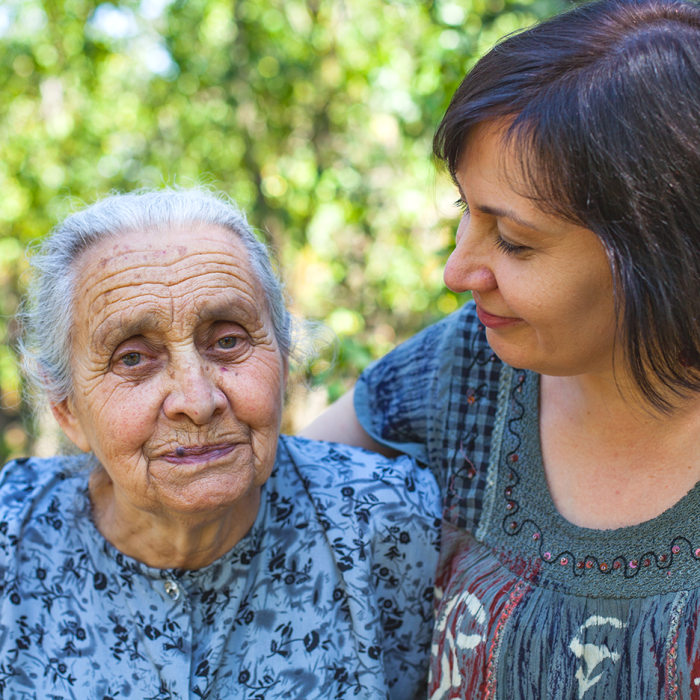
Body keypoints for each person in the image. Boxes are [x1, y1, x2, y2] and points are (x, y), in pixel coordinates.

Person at [301, 0, 700, 697]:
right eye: (466, 212)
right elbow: (279, 497)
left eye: (514, 241)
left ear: (663, 254)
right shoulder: (465, 369)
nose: (458, 272)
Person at [0, 188, 441, 700]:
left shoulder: (393, 524)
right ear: (67, 410)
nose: (197, 399)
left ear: (283, 360)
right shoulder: (11, 541)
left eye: (228, 341)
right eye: (133, 359)